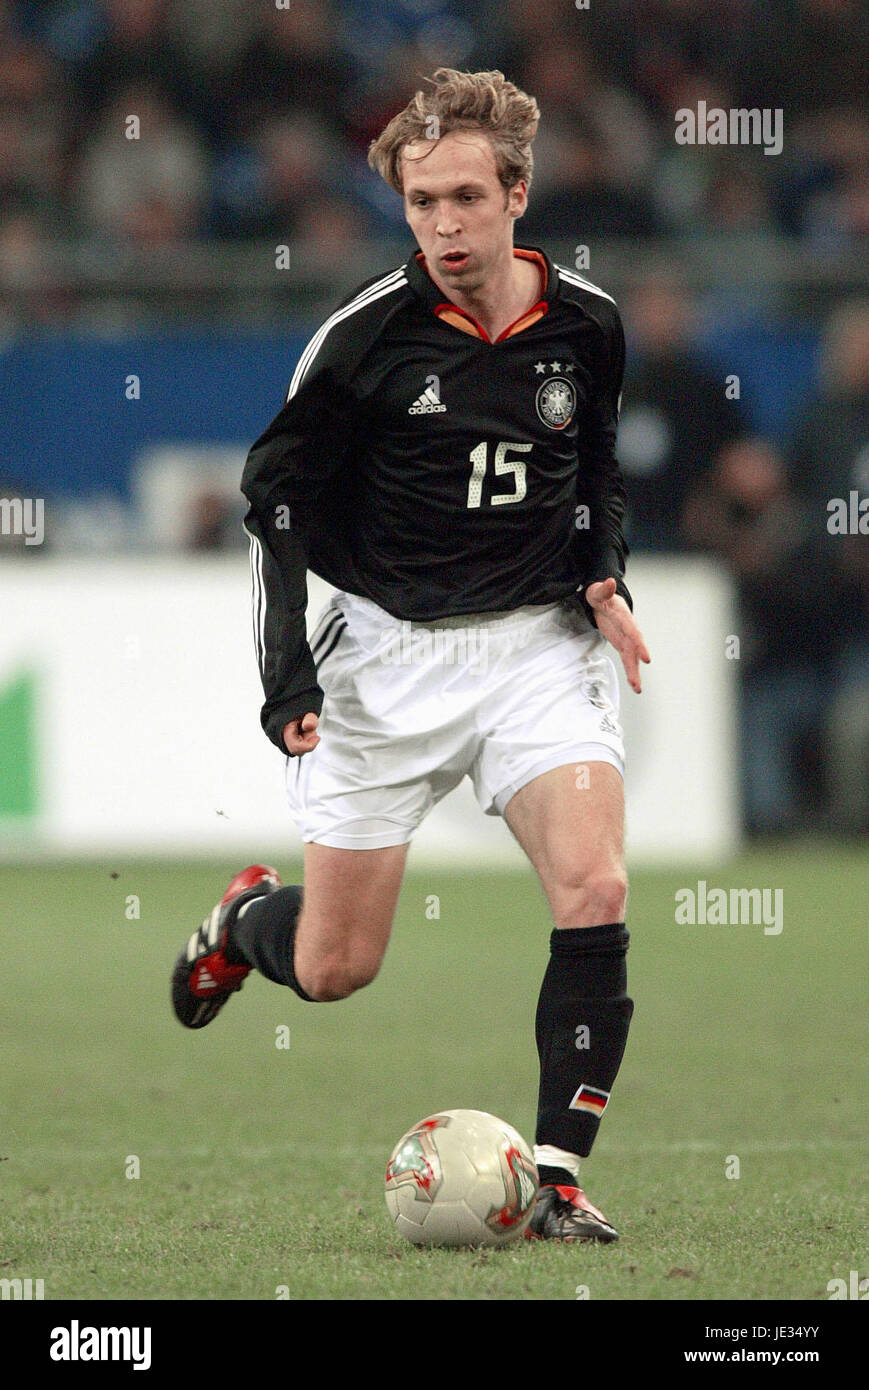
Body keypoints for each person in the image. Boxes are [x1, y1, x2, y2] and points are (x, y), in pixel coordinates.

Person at [171, 69, 650, 1243]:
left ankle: (555, 1175)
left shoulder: (585, 323)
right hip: (384, 660)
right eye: (420, 201)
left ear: (516, 196)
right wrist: (286, 674)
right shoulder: (360, 340)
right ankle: (244, 927)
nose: (442, 224)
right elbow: (271, 506)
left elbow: (594, 473)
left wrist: (603, 576)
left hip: (540, 645)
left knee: (593, 887)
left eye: (464, 198)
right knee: (336, 968)